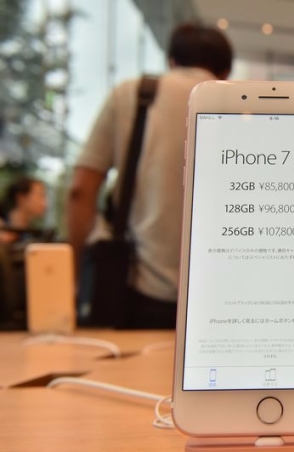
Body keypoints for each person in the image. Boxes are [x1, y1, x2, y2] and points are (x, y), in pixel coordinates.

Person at [67, 23, 233, 328]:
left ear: (171, 61)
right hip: (216, 299)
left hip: (135, 289)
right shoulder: (238, 106)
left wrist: (74, 274)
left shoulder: (131, 94)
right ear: (225, 72)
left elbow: (81, 189)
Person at [0, 177, 48, 244]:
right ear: (21, 198)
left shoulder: (31, 234)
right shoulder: (3, 228)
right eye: (40, 196)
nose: (44, 203)